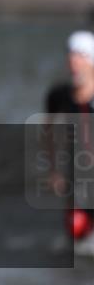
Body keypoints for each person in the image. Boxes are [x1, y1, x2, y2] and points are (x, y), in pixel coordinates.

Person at [45, 30, 94, 242]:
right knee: (77, 228)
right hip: (77, 175)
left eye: (80, 56)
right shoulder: (59, 95)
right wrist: (54, 170)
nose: (74, 61)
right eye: (71, 55)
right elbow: (48, 131)